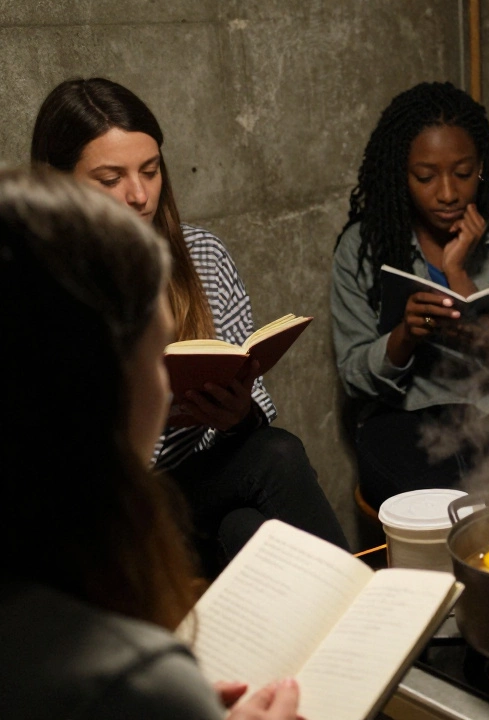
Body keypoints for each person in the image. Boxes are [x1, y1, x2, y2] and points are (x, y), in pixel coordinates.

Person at [0, 167, 299, 719]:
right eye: (157, 353)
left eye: (149, 169)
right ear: (97, 383)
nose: (137, 193)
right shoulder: (130, 678)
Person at [30, 78, 348, 574]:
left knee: (248, 522)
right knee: (274, 460)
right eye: (110, 179)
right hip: (106, 513)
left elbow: (253, 416)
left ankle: (359, 630)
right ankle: (378, 623)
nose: (138, 195)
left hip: (199, 490)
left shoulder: (201, 255)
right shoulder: (39, 289)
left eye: (150, 171)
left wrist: (236, 414)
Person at [332, 81, 489, 509]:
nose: (448, 193)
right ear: (401, 174)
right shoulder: (362, 247)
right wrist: (404, 336)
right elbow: (354, 377)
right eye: (425, 176)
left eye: (463, 173)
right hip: (406, 416)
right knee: (435, 506)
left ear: (483, 167)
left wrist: (459, 277)